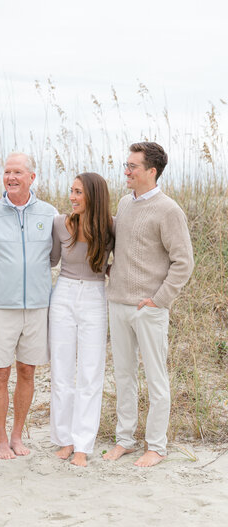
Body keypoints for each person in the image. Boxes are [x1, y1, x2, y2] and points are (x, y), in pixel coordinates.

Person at [103, 142, 194, 467]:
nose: (126, 171)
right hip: (118, 303)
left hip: (149, 308)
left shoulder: (169, 210)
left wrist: (159, 299)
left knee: (156, 378)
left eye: (132, 166)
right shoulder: (125, 204)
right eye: (126, 165)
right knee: (124, 376)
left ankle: (156, 446)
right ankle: (125, 440)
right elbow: (121, 249)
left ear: (151, 171)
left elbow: (184, 262)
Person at [0, 152, 57, 459]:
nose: (11, 177)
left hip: (37, 306)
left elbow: (55, 254)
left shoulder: (49, 213)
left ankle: (18, 436)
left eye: (18, 172)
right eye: (7, 172)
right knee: (0, 372)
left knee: (27, 370)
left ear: (32, 178)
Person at [49, 173, 114, 467]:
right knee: (61, 370)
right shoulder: (59, 223)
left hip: (94, 296)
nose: (72, 197)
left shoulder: (111, 226)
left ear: (93, 196)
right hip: (62, 294)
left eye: (78, 192)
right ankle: (65, 439)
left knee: (90, 372)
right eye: (71, 191)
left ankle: (83, 445)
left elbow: (121, 262)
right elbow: (50, 260)